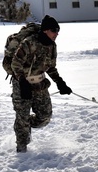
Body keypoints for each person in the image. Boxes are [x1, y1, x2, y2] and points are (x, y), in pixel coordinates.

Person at [9, 15, 72, 153]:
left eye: (58, 30)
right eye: (54, 30)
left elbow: (50, 67)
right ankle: (22, 149)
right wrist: (22, 81)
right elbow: (15, 64)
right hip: (22, 84)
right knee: (22, 115)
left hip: (40, 84)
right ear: (45, 30)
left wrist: (60, 83)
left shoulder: (52, 46)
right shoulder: (28, 43)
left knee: (44, 117)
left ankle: (24, 125)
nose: (57, 33)